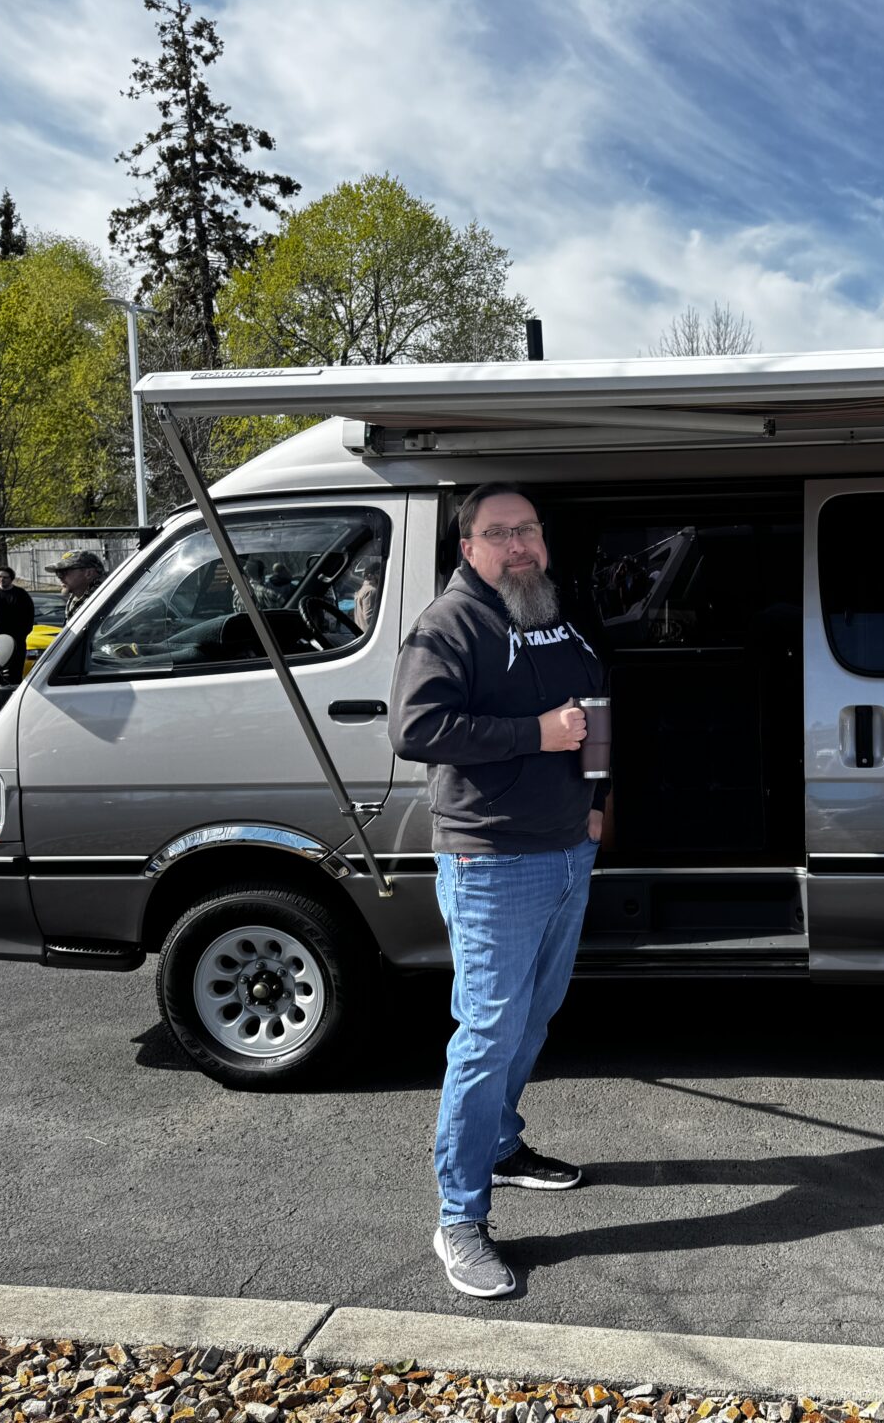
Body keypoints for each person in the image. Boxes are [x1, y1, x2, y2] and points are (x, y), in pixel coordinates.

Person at [389, 482, 607, 1300]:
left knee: (532, 1018)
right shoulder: (450, 623)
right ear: (468, 547)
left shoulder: (552, 614)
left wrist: (595, 802)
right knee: (487, 1034)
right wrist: (534, 735)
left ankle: (502, 1147)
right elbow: (415, 728)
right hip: (492, 862)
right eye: (500, 533)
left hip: (565, 851)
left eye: (529, 530)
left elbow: (594, 708)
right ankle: (459, 1216)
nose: (519, 545)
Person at [0, 566, 35, 685]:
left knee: (15, 671)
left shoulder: (21, 594)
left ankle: (14, 691)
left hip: (17, 640)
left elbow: (29, 615)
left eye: (5, 577)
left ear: (11, 579)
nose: (2, 579)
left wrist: (23, 633)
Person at [48, 549, 107, 618]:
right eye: (57, 573)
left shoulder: (103, 600)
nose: (59, 577)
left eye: (64, 572)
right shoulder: (76, 601)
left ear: (88, 573)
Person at [353, 558, 382, 634]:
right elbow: (370, 619)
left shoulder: (364, 589)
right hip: (370, 634)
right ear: (370, 576)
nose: (382, 576)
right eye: (379, 573)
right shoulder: (371, 591)